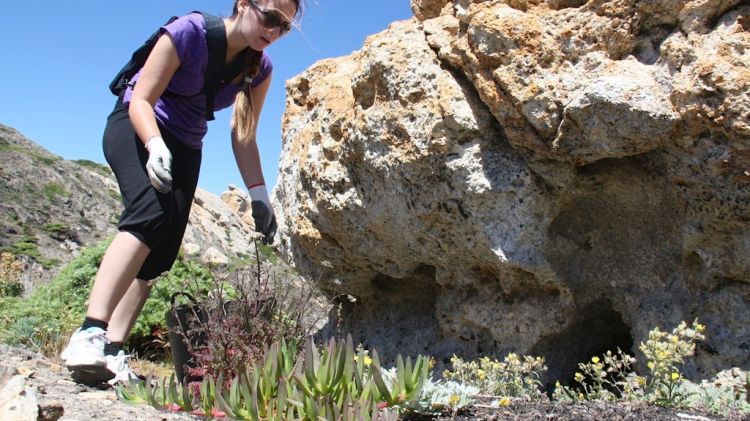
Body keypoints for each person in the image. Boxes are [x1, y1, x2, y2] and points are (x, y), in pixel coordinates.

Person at [59, 0, 301, 385]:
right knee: (149, 213)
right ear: (243, 4)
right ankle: (89, 333)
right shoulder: (190, 32)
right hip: (138, 125)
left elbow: (243, 135)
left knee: (163, 249)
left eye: (284, 27)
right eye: (270, 18)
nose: (272, 31)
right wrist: (154, 144)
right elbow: (141, 100)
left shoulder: (260, 68)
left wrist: (260, 195)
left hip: (187, 146)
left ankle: (112, 352)